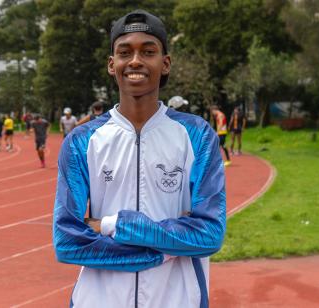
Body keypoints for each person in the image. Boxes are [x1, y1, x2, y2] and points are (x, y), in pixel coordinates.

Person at [53, 10, 226, 308]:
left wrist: (111, 224)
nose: (135, 61)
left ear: (165, 62)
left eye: (148, 51)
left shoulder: (197, 135)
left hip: (178, 300)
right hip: (98, 300)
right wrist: (164, 250)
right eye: (125, 52)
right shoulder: (81, 142)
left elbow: (209, 235)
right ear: (112, 64)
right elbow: (68, 243)